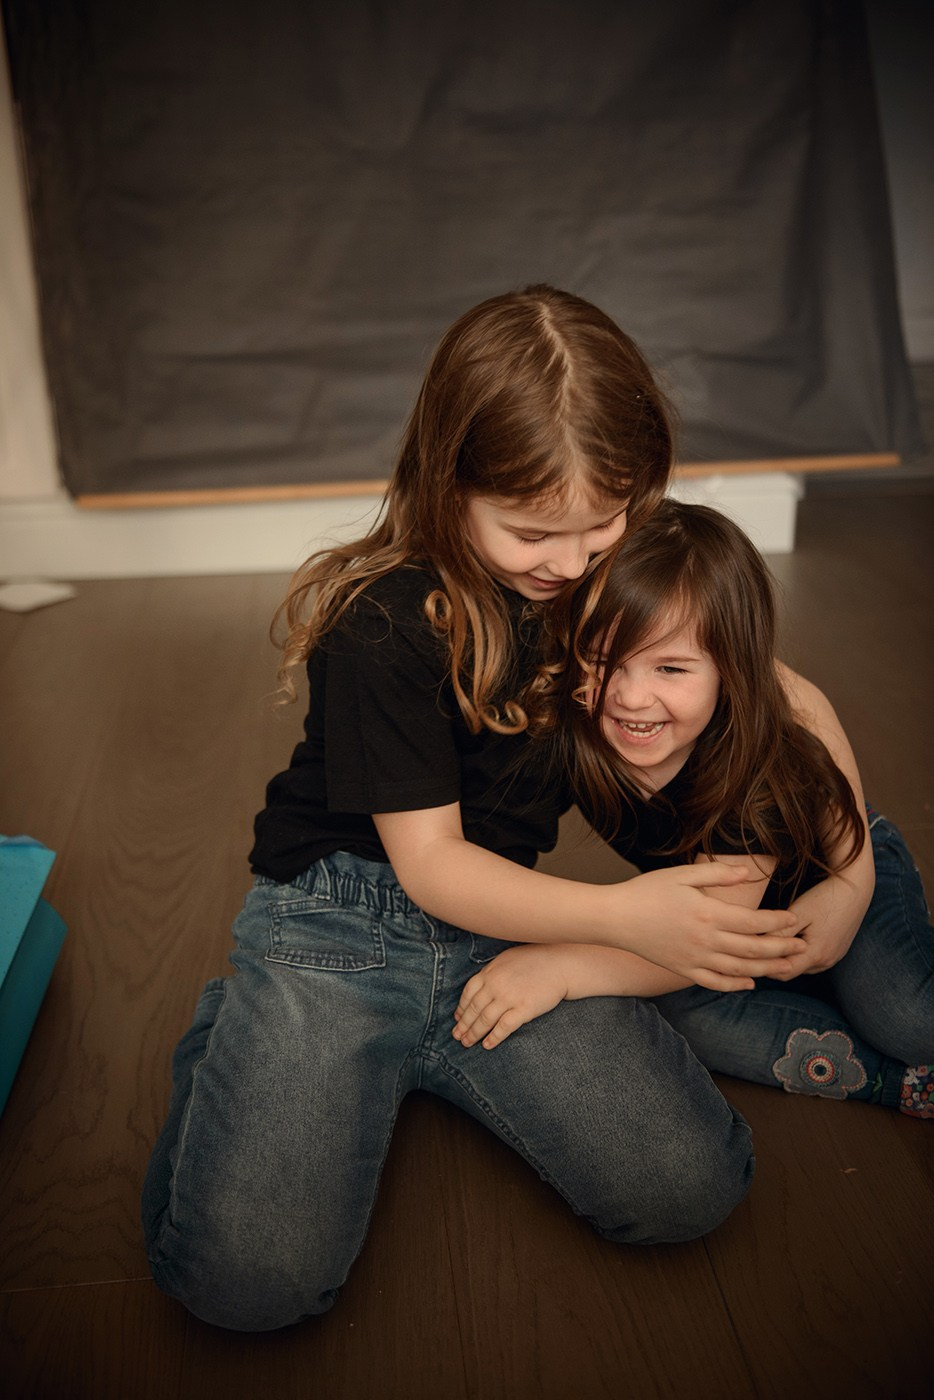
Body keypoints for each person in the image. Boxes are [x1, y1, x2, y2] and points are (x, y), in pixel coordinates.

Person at [142, 287, 811, 1334]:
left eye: (605, 521)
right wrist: (622, 918)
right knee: (248, 1288)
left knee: (692, 1187)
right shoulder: (390, 619)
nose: (571, 559)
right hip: (342, 918)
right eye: (534, 530)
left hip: (507, 927)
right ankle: (242, 1030)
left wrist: (817, 851)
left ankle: (399, 1060)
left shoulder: (597, 585)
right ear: (446, 482)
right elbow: (432, 868)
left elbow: (765, 693)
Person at [453, 500, 933, 1119]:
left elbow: (714, 928)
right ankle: (896, 1083)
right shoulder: (571, 714)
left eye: (671, 668)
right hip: (728, 928)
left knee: (905, 1013)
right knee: (678, 1007)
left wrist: (560, 970)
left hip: (821, 867)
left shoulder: (754, 774)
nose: (629, 696)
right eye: (603, 661)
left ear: (732, 673)